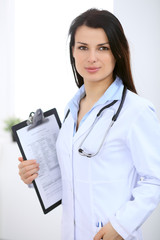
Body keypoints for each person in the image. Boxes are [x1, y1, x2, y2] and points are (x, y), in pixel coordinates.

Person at [18, 8, 160, 240]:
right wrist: (34, 176)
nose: (91, 58)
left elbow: (155, 180)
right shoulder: (71, 109)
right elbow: (72, 175)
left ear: (118, 52)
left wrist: (121, 226)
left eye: (102, 48)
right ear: (72, 52)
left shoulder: (136, 111)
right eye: (83, 47)